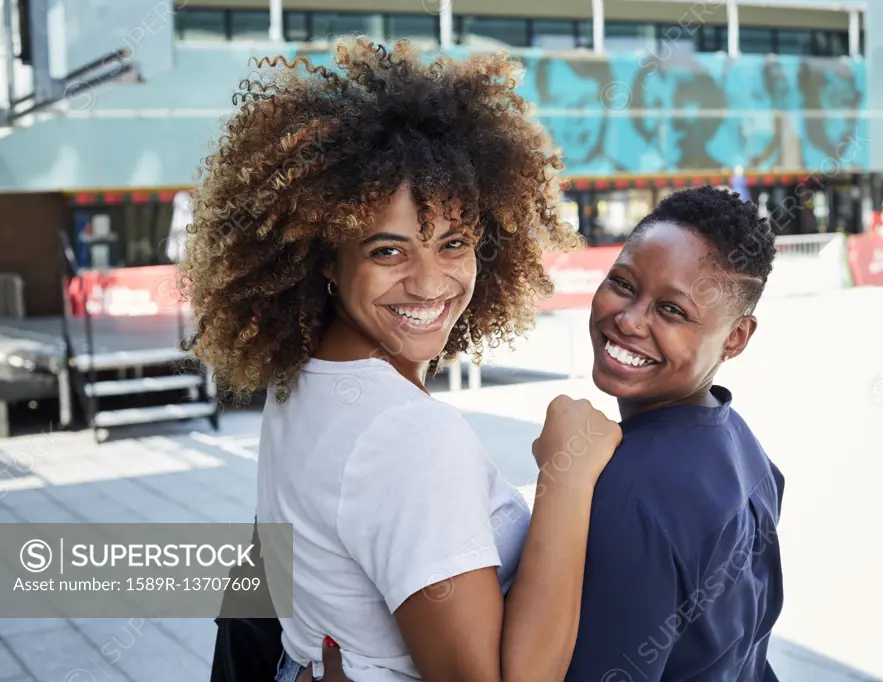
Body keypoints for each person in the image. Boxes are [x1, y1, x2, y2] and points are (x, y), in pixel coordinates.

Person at [181, 39, 621, 682]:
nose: (429, 282)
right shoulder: (410, 435)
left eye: (453, 243)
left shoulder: (302, 376)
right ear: (327, 260)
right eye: (388, 251)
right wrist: (568, 478)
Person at [308, 186, 786, 681]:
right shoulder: (745, 450)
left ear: (736, 337)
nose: (628, 319)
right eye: (622, 284)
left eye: (672, 311)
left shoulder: (625, 493)